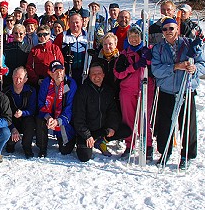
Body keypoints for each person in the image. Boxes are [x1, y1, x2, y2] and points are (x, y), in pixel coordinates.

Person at [151, 17, 205, 168]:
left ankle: (187, 155)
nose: (168, 32)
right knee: (165, 124)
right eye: (165, 29)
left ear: (177, 29)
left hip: (186, 89)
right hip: (167, 91)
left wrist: (195, 70)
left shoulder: (189, 44)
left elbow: (202, 64)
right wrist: (176, 66)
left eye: (171, 28)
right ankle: (165, 152)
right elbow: (156, 70)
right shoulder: (158, 48)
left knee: (187, 124)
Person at [72, 62, 131, 162]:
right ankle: (83, 142)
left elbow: (113, 111)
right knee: (84, 157)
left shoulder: (108, 90)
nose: (96, 76)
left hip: (102, 130)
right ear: (89, 75)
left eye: (99, 73)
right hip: (87, 131)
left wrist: (112, 127)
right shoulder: (83, 91)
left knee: (126, 130)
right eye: (93, 74)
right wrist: (87, 135)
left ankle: (101, 141)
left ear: (103, 75)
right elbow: (78, 117)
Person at [114, 26, 154, 159]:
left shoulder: (148, 50)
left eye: (136, 36)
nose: (134, 39)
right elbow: (118, 73)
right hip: (128, 90)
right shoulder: (124, 54)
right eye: (131, 37)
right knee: (128, 119)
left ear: (141, 37)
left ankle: (147, 145)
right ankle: (129, 144)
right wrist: (133, 67)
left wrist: (147, 59)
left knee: (144, 118)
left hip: (145, 88)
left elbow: (154, 67)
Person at [37, 60, 77, 157]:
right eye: (55, 71)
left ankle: (69, 137)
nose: (59, 74)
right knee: (40, 119)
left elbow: (70, 107)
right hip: (50, 114)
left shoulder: (70, 83)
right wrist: (48, 117)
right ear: (50, 73)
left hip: (64, 118)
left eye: (61, 70)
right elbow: (41, 103)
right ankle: (42, 148)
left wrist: (59, 120)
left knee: (65, 150)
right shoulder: (46, 83)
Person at [4, 67, 36, 158]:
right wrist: (13, 128)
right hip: (11, 119)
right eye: (15, 77)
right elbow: (4, 113)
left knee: (30, 122)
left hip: (25, 117)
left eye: (21, 78)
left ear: (25, 80)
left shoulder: (31, 91)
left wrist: (23, 113)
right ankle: (10, 143)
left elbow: (32, 110)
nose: (18, 80)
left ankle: (26, 146)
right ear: (12, 77)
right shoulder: (6, 92)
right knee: (6, 123)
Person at [53, 13, 87, 86]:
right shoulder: (62, 36)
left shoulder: (88, 36)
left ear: (81, 22)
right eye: (72, 22)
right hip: (68, 71)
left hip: (84, 71)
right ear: (68, 23)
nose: (75, 25)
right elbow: (54, 54)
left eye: (77, 22)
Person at [3, 24, 31, 89]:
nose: (18, 35)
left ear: (24, 34)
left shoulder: (29, 48)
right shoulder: (6, 47)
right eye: (16, 33)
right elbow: (2, 61)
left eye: (21, 33)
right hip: (8, 78)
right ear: (12, 34)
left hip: (22, 79)